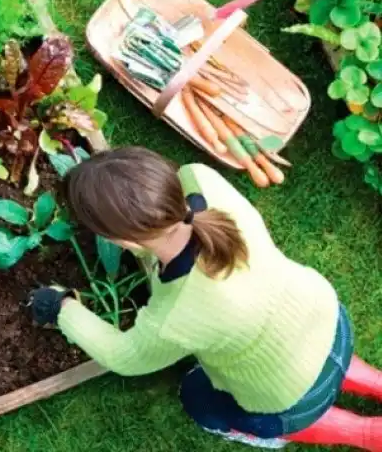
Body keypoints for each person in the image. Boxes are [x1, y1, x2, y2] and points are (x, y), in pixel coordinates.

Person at [30, 147, 382, 450]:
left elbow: (123, 356)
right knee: (318, 355)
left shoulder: (175, 317)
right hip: (326, 318)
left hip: (288, 395)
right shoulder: (202, 180)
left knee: (198, 398)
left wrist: (62, 307)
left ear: (129, 245)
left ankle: (367, 434)